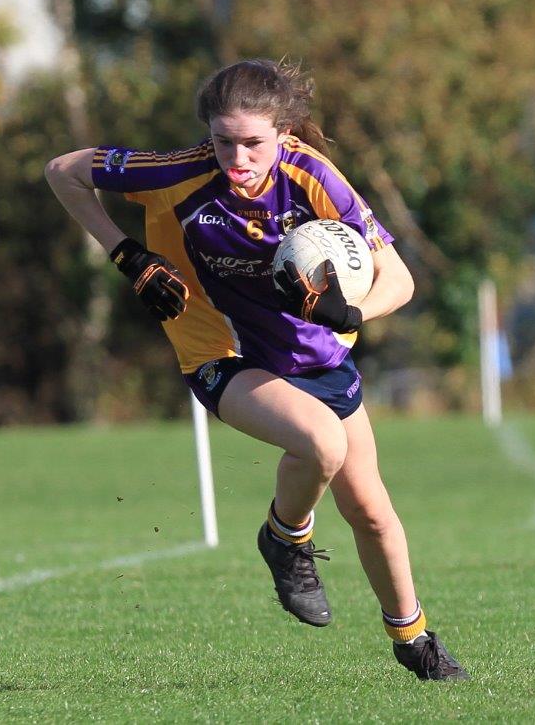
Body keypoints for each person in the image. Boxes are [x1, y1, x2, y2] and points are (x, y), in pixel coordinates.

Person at [44, 59, 468, 682]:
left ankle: (413, 638)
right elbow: (63, 172)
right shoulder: (182, 172)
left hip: (315, 356)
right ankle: (285, 538)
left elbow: (398, 279)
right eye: (223, 141)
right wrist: (127, 253)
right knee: (319, 441)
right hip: (224, 354)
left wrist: (349, 309)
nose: (237, 157)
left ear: (285, 131)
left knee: (372, 512)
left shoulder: (313, 175)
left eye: (253, 143)